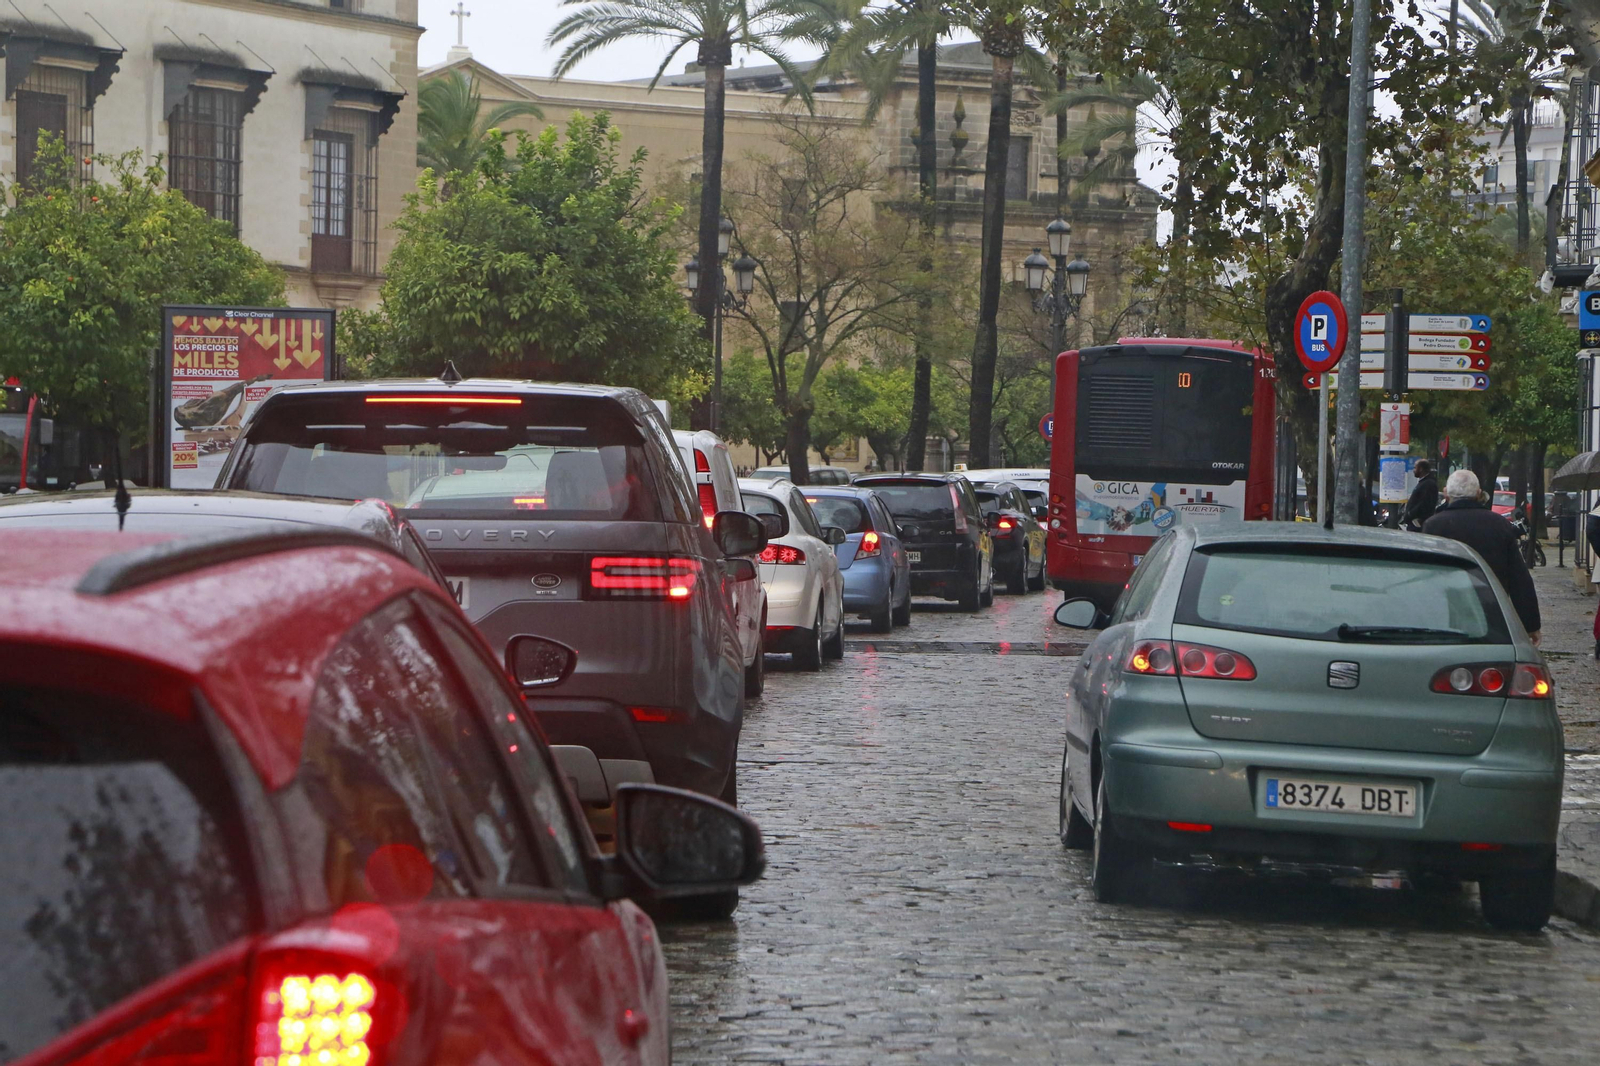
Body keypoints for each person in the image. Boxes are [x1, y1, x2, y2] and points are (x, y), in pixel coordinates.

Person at [1422, 469, 1541, 645]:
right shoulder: (1499, 525)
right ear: (1478, 494)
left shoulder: (1433, 526)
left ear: (1446, 493)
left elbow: (1425, 576)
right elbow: (1519, 578)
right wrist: (1530, 624)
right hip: (1491, 612)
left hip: (1446, 613)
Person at [1401, 460, 1439, 532]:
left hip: (1417, 523)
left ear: (1421, 469)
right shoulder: (1424, 482)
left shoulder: (1428, 484)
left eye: (1415, 468)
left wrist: (1410, 514)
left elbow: (1425, 503)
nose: (1413, 470)